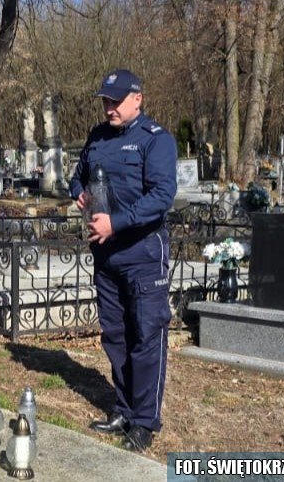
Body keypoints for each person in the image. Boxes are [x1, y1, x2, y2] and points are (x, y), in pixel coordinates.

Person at [69, 69, 177, 452]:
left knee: (146, 334)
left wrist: (116, 222)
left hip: (142, 252)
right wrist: (79, 193)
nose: (109, 108)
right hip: (107, 254)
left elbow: (162, 196)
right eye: (105, 101)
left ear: (137, 99)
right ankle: (124, 408)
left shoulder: (156, 140)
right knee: (115, 335)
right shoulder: (98, 137)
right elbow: (77, 177)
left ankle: (144, 421)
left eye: (116, 101)